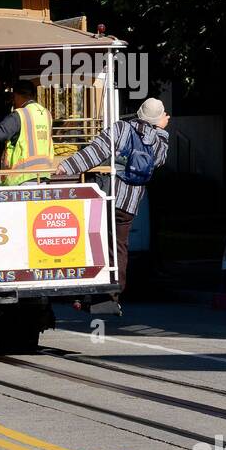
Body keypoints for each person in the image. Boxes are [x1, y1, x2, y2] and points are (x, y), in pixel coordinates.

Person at [53, 97, 170, 307]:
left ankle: (83, 292)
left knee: (92, 242)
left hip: (107, 196)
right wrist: (160, 130)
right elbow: (159, 161)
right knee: (119, 247)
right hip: (129, 204)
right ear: (159, 119)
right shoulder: (159, 142)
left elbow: (94, 153)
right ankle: (110, 297)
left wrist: (66, 167)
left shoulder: (121, 129)